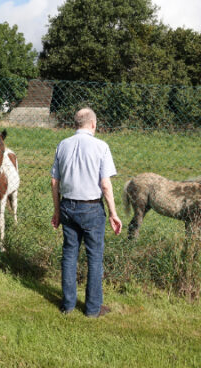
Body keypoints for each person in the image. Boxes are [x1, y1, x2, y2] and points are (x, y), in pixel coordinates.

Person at [51, 108, 122, 318]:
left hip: (67, 206)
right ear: (93, 124)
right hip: (92, 208)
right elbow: (106, 185)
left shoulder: (62, 145)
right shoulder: (101, 147)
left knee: (69, 255)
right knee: (94, 257)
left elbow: (55, 182)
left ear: (77, 123)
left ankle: (68, 305)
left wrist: (57, 211)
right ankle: (92, 309)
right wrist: (113, 213)